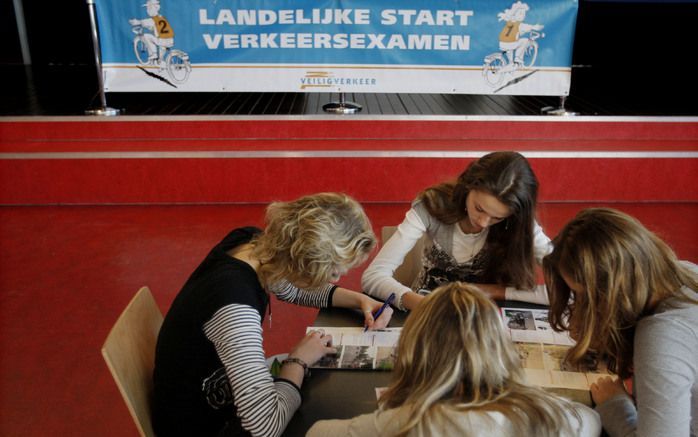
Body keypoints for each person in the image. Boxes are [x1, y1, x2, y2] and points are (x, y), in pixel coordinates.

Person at [152, 193, 394, 437]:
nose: (336, 278)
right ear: (305, 262)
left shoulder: (254, 244)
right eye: (332, 271)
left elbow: (288, 285)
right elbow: (263, 427)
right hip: (206, 425)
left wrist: (359, 299)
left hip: (216, 395)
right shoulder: (235, 305)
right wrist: (297, 361)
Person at [307, 282, 601, 437]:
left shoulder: (404, 423)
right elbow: (592, 421)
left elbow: (317, 433)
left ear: (416, 351)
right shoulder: (552, 417)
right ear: (500, 349)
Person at [542, 208, 698, 437]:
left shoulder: (662, 336)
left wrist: (615, 407)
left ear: (613, 293)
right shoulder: (685, 272)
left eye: (584, 296)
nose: (582, 306)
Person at [362, 151, 551, 311]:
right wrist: (424, 305)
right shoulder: (432, 205)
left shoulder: (519, 223)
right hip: (426, 307)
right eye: (479, 208)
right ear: (468, 186)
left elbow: (573, 287)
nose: (484, 223)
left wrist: (492, 290)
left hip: (485, 316)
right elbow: (373, 276)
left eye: (497, 218)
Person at [129, 0, 175, 64]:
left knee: (146, 36)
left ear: (154, 8)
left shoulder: (152, 20)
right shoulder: (161, 17)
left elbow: (141, 22)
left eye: (149, 8)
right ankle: (161, 62)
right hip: (170, 40)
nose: (147, 10)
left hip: (162, 40)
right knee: (161, 57)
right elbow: (154, 27)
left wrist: (135, 22)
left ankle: (154, 54)